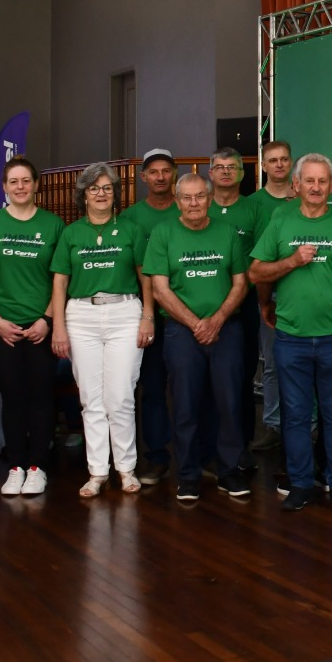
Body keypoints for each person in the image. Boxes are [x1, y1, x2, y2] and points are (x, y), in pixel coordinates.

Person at [249, 154, 332, 513]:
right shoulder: (281, 222)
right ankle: (300, 484)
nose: (316, 188)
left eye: (323, 181)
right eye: (310, 181)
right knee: (296, 415)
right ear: (298, 185)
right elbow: (256, 273)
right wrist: (292, 261)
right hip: (291, 338)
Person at [141, 172, 251, 503]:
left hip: (226, 329)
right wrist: (194, 323)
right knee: (185, 404)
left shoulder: (227, 232)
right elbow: (159, 288)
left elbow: (241, 281)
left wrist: (216, 320)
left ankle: (227, 470)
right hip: (180, 331)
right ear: (177, 202)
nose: (194, 204)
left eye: (200, 196)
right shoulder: (163, 233)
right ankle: (187, 475)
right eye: (187, 198)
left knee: (229, 401)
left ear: (209, 198)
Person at [50, 162, 155, 496]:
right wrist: (59, 328)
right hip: (81, 316)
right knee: (90, 400)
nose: (100, 193)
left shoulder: (130, 230)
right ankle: (97, 472)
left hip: (125, 312)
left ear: (116, 193)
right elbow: (60, 281)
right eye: (94, 188)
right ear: (83, 194)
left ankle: (126, 469)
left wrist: (148, 316)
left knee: (121, 396)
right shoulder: (71, 233)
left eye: (107, 187)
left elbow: (145, 276)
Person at [0, 157, 65, 498]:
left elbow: (60, 280)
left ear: (36, 185)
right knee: (13, 396)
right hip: (1, 327)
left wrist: (47, 320)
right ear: (4, 187)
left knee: (40, 396)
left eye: (26, 181)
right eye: (13, 181)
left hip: (40, 326)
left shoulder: (54, 226)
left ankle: (37, 466)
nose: (20, 187)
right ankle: (15, 466)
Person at [121, 147, 179, 485]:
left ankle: (198, 455)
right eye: (153, 172)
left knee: (192, 390)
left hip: (185, 318)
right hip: (148, 318)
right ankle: (157, 457)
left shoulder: (187, 211)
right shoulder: (130, 219)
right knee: (153, 389)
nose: (160, 177)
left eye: (165, 171)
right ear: (143, 177)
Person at [207, 146, 263, 462]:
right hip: (203, 307)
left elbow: (261, 258)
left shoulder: (254, 210)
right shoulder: (201, 208)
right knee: (205, 381)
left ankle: (241, 447)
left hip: (245, 304)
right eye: (220, 166)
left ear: (242, 174)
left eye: (233, 167)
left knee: (240, 378)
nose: (226, 171)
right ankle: (210, 445)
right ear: (211, 173)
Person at [250, 140, 297, 452]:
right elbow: (255, 259)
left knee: (302, 365)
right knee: (270, 364)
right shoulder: (254, 204)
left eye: (284, 159)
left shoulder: (303, 198)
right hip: (269, 293)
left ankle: (305, 427)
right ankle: (272, 426)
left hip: (302, 293)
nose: (279, 165)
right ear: (263, 166)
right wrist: (263, 297)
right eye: (273, 160)